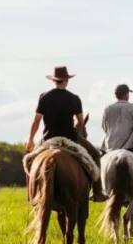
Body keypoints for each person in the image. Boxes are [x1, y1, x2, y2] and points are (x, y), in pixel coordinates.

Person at [26, 66, 108, 202]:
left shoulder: (44, 97)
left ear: (53, 81)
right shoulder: (74, 98)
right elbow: (80, 121)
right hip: (69, 138)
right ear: (67, 81)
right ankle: (98, 191)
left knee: (30, 160)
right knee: (95, 154)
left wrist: (30, 139)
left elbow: (36, 121)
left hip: (48, 139)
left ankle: (32, 194)